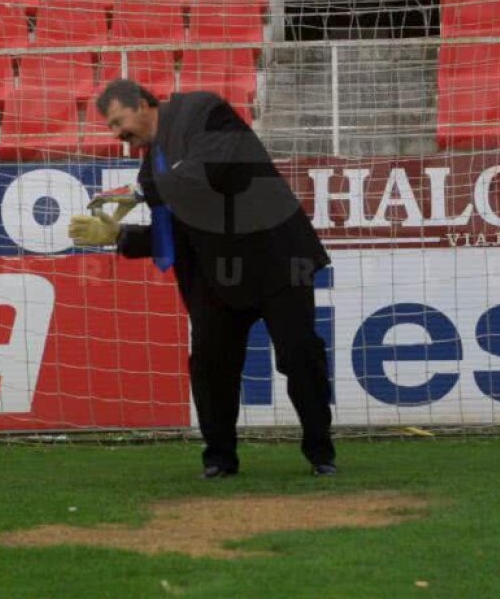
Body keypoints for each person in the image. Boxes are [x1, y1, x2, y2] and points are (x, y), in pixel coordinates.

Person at [69, 79, 336, 479]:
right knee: (210, 367)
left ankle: (321, 453)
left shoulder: (204, 111)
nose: (117, 135)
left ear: (142, 104)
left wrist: (140, 192)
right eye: (110, 128)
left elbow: (204, 170)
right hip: (216, 275)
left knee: (300, 355)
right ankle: (219, 459)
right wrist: (118, 237)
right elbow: (173, 232)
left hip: (276, 259)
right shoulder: (152, 163)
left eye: (117, 121)